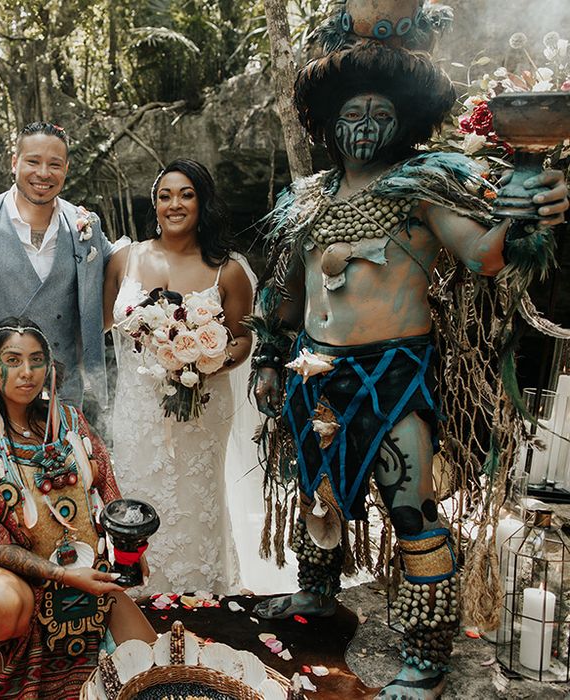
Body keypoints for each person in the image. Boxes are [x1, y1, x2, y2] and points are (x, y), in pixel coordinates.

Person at [249, 2, 569, 698]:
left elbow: (484, 255)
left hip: (392, 376)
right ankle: (318, 600)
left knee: (411, 508)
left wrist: (526, 213)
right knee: (318, 495)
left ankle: (425, 652)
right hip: (313, 372)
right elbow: (284, 289)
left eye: (377, 114)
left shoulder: (426, 185)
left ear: (404, 117)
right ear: (328, 123)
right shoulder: (307, 199)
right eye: (351, 116)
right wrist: (270, 354)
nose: (362, 127)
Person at [0, 317, 156, 698]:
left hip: (80, 569)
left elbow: (106, 483)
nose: (27, 372)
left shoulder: (69, 421)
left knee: (149, 667)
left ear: (50, 366)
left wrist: (130, 547)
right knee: (1, 606)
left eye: (36, 360)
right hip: (4, 571)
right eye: (13, 360)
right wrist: (65, 578)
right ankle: (1, 648)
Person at [103, 159, 256, 595]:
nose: (175, 204)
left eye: (186, 194)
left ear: (202, 202)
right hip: (137, 407)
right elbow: (97, 324)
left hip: (202, 410)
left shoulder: (227, 270)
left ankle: (200, 590)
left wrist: (206, 360)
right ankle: (135, 592)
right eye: (165, 195)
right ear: (154, 203)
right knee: (136, 489)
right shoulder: (124, 258)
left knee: (195, 500)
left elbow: (243, 340)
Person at [0, 122, 113, 410]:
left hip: (65, 394)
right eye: (33, 161)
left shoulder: (86, 227)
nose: (44, 173)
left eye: (55, 164)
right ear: (14, 162)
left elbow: (122, 272)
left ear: (66, 169)